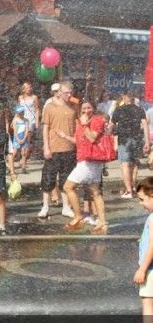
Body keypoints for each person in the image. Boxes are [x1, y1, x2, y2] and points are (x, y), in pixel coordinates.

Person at [59, 100, 109, 233]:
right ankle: (102, 223)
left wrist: (85, 124)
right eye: (84, 108)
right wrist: (65, 137)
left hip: (89, 161)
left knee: (68, 187)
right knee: (95, 192)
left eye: (89, 108)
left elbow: (92, 138)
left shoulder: (97, 120)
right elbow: (79, 141)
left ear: (93, 108)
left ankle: (78, 217)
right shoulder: (81, 122)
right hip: (86, 160)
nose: (86, 111)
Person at [38, 81, 77, 219]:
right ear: (59, 93)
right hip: (54, 148)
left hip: (70, 148)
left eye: (71, 93)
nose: (69, 95)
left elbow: (78, 125)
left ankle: (66, 207)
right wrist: (46, 147)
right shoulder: (50, 107)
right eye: (66, 93)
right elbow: (45, 128)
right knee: (48, 178)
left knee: (66, 179)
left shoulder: (74, 106)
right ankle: (45, 206)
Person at [111, 90, 150, 199]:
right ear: (133, 98)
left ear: (124, 97)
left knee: (125, 165)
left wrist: (107, 132)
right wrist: (147, 142)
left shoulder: (119, 110)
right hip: (137, 140)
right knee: (134, 163)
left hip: (124, 140)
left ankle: (129, 191)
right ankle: (132, 187)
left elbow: (111, 126)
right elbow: (145, 125)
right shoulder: (139, 109)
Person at [132, 177, 153, 323]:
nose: (141, 204)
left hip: (151, 269)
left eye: (142, 199)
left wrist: (142, 269)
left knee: (148, 303)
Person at [11, 105, 30, 174]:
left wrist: (24, 139)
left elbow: (27, 130)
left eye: (22, 112)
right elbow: (15, 131)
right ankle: (11, 166)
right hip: (17, 138)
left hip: (24, 138)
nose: (21, 114)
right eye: (20, 112)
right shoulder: (15, 120)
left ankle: (23, 167)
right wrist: (18, 139)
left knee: (24, 153)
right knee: (15, 152)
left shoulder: (26, 120)